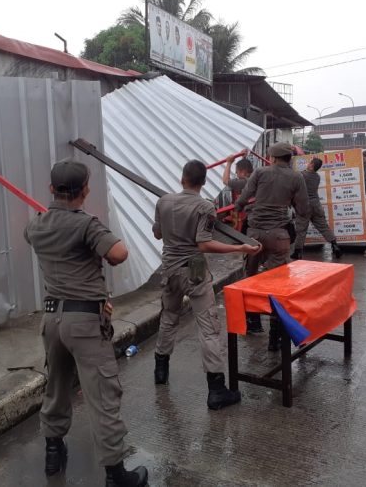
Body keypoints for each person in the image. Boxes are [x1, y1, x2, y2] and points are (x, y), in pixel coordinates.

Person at [24, 158, 147, 486]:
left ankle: (53, 452)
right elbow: (119, 253)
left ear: (51, 189)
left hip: (52, 319)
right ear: (86, 190)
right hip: (85, 322)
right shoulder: (87, 225)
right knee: (103, 395)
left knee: (57, 386)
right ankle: (115, 473)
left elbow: (32, 235)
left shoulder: (36, 225)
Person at [152, 160, 261, 410]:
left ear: (182, 179)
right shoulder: (205, 207)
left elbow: (157, 234)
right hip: (194, 270)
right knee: (208, 327)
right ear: (203, 182)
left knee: (169, 317)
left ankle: (160, 370)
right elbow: (203, 244)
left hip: (168, 269)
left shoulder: (163, 202)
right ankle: (216, 389)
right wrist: (240, 248)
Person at [235, 142, 310, 350]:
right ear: (289, 158)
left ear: (274, 158)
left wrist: (240, 208)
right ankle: (274, 336)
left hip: (254, 235)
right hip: (278, 236)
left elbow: (242, 199)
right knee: (277, 285)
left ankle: (253, 323)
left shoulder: (259, 172)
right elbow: (304, 209)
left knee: (250, 278)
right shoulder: (297, 177)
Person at [293, 157, 342, 259]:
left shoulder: (301, 175)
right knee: (323, 227)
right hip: (316, 205)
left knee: (301, 230)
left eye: (309, 162)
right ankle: (335, 245)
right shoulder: (317, 177)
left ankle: (297, 252)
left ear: (311, 165)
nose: (307, 164)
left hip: (304, 206)